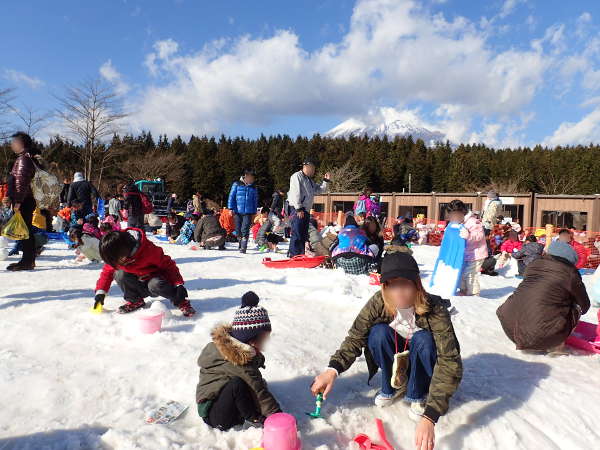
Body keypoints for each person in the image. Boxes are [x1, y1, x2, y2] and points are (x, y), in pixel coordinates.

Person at [311, 253, 462, 450]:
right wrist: (332, 370)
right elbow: (356, 337)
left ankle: (417, 394)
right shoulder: (379, 302)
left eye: (405, 284)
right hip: (395, 355)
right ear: (384, 287)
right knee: (378, 333)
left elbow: (450, 360)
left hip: (421, 359)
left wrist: (431, 415)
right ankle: (392, 386)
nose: (399, 293)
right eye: (392, 285)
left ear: (417, 284)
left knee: (423, 339)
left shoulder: (435, 309)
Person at [196, 291, 281, 430]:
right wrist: (277, 416)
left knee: (244, 384)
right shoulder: (235, 359)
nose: (267, 341)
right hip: (215, 415)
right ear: (252, 341)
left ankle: (247, 410)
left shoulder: (238, 347)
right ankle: (253, 417)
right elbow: (257, 389)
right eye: (264, 338)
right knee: (239, 384)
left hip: (221, 399)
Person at [497, 241, 590, 353]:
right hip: (541, 335)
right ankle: (557, 346)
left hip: (510, 326)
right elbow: (584, 306)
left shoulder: (533, 265)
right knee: (575, 307)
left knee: (532, 296)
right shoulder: (570, 274)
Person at [94, 229, 196, 316]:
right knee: (119, 273)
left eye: (118, 259)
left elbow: (169, 265)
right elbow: (106, 272)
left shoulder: (148, 251)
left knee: (155, 284)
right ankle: (135, 300)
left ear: (124, 251)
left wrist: (178, 284)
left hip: (154, 282)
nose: (116, 263)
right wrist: (100, 293)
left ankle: (180, 301)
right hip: (136, 283)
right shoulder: (117, 257)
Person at [6, 132, 38, 271]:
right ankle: (28, 260)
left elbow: (21, 182)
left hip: (24, 200)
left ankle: (27, 261)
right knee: (26, 230)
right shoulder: (26, 158)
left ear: (21, 143)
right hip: (26, 199)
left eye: (14, 142)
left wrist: (17, 201)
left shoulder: (23, 160)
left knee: (26, 231)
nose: (12, 144)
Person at [287, 159, 331, 257]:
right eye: (313, 168)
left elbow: (320, 190)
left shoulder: (309, 180)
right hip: (297, 209)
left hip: (305, 210)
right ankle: (294, 255)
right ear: (306, 166)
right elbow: (295, 193)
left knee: (303, 234)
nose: (314, 171)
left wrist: (326, 181)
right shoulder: (297, 176)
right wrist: (298, 208)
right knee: (297, 233)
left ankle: (300, 254)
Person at [445, 200, 487, 296]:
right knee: (461, 272)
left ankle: (473, 293)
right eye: (451, 216)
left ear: (462, 213)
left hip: (477, 253)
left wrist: (469, 236)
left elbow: (479, 236)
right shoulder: (456, 223)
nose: (453, 218)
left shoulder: (473, 222)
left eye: (455, 216)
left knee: (470, 273)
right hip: (464, 254)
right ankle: (463, 289)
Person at [227, 169, 258, 254]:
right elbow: (231, 196)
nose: (252, 180)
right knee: (238, 229)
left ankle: (244, 246)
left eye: (253, 178)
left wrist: (254, 211)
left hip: (248, 212)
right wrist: (230, 208)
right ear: (245, 176)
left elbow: (255, 200)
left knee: (245, 228)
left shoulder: (253, 187)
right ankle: (240, 241)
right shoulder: (237, 184)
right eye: (251, 177)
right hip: (237, 211)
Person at [482, 191, 502, 256]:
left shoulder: (494, 203)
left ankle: (488, 251)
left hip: (488, 223)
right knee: (488, 238)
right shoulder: (496, 202)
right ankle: (489, 251)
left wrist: (487, 220)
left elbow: (491, 214)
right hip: (490, 222)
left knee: (486, 237)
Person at [0, 197, 14, 261]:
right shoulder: (1, 209)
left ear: (9, 203)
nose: (6, 204)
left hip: (9, 224)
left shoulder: (11, 209)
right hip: (3, 223)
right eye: (4, 203)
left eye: (7, 203)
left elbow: (10, 216)